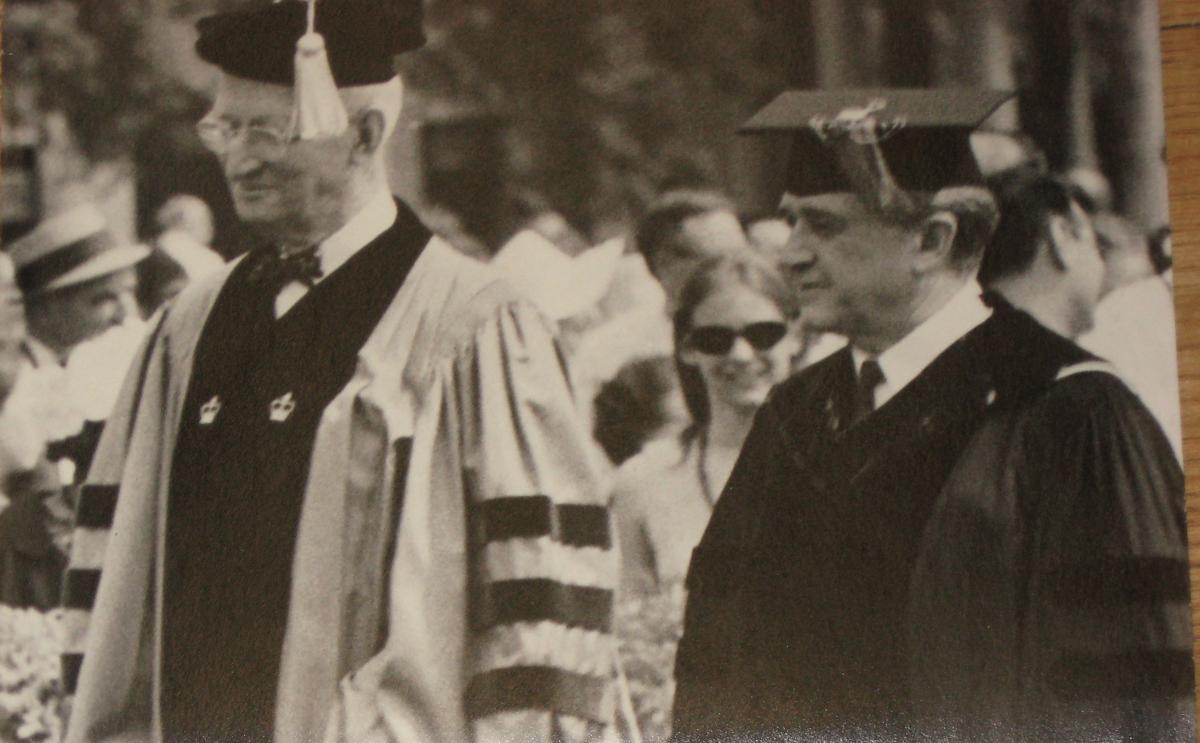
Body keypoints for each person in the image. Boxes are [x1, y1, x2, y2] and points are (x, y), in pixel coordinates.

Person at [62, 2, 615, 742]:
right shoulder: (187, 326)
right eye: (226, 127)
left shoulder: (474, 326)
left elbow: (536, 615)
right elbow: (115, 591)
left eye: (270, 129)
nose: (239, 158)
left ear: (366, 134)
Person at [672, 90, 1192, 742]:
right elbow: (715, 664)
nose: (790, 252)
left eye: (824, 225)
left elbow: (1134, 692)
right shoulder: (794, 414)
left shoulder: (1071, 412)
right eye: (792, 221)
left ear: (931, 239)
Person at [613, 255, 798, 596]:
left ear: (795, 336)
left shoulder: (846, 461)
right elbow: (634, 628)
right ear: (687, 349)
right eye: (716, 339)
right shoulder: (644, 481)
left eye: (762, 334)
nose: (741, 355)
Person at [0, 205, 146, 610]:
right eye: (102, 300)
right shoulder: (16, 388)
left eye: (127, 293)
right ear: (42, 307)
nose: (123, 314)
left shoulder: (89, 368)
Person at [978, 170, 1105, 340]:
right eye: (1096, 248)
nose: (1102, 267)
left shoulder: (949, 357)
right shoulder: (1078, 366)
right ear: (1063, 236)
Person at [634, 189, 751, 312]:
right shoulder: (629, 331)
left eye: (745, 257)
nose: (739, 273)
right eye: (716, 262)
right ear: (664, 265)